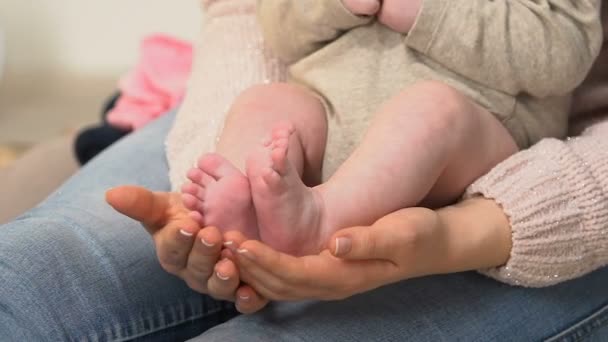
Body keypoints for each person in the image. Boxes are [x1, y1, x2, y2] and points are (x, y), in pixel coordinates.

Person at [1, 1, 607, 341]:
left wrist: (426, 11)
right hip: (326, 107)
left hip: (475, 139)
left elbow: (560, 51)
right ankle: (241, 210)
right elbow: (271, 21)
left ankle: (320, 220)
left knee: (429, 113)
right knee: (268, 108)